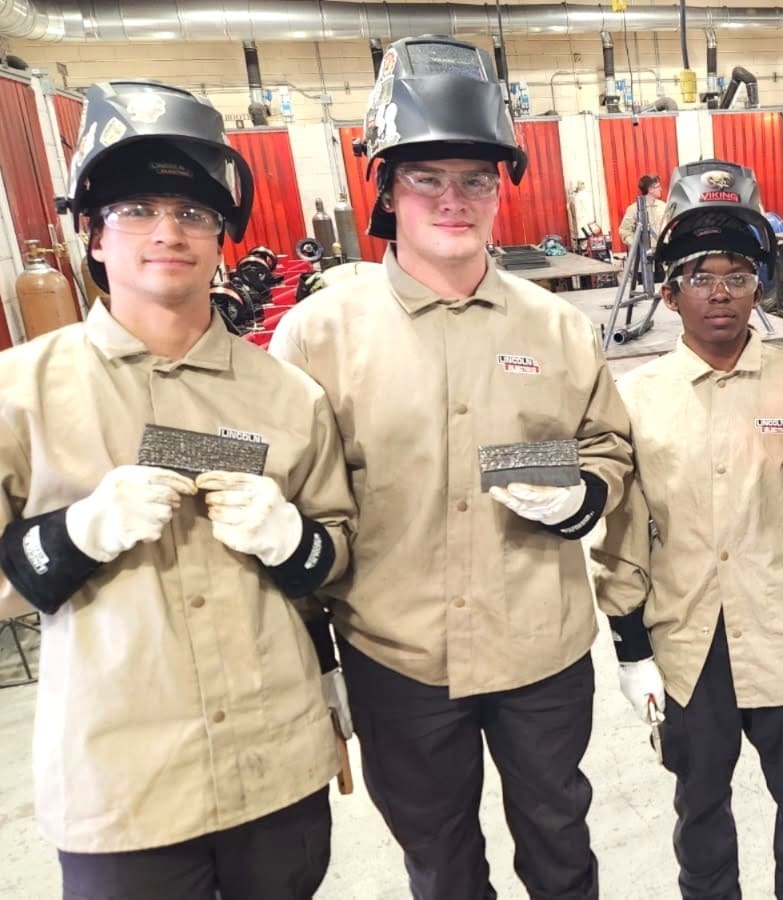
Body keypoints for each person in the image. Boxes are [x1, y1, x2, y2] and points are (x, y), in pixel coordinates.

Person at [269, 36, 633, 900]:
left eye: (475, 178)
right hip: (395, 658)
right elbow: (290, 502)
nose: (454, 199)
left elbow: (608, 445)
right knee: (439, 863)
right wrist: (315, 657)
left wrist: (585, 493)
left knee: (561, 845)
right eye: (426, 178)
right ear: (387, 191)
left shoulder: (558, 329)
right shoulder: (319, 337)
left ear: (501, 190)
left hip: (540, 649)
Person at [0, 79, 354, 899]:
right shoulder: (13, 396)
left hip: (275, 767)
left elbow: (339, 550)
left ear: (222, 235)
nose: (167, 233)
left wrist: (297, 542)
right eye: (137, 210)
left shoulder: (286, 396)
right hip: (124, 784)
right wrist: (68, 538)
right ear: (91, 232)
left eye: (191, 213)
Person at [592, 160, 783, 900]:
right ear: (668, 289)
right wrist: (628, 647)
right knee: (701, 811)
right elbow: (621, 531)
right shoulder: (637, 398)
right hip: (686, 646)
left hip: (782, 633)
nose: (720, 293)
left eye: (738, 274)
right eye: (699, 274)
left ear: (760, 285)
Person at [618, 173, 668, 248]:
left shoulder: (664, 206)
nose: (660, 189)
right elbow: (625, 231)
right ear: (650, 190)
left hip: (664, 251)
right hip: (645, 255)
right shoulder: (634, 209)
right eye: (658, 187)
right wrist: (636, 245)